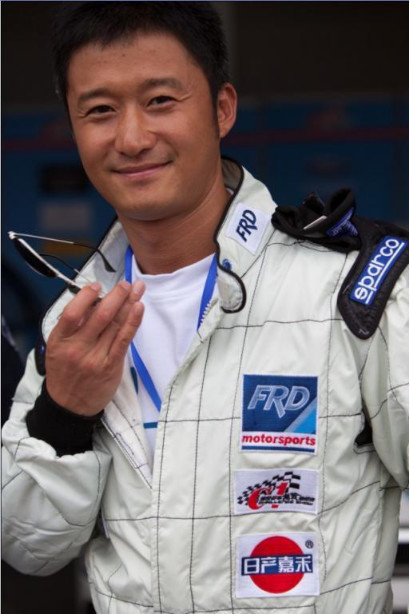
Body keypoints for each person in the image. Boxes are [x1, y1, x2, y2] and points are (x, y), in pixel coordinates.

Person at [2, 3, 408, 613]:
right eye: (100, 111)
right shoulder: (73, 323)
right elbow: (29, 545)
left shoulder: (354, 295)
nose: (132, 138)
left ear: (222, 109)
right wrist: (63, 414)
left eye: (160, 101)